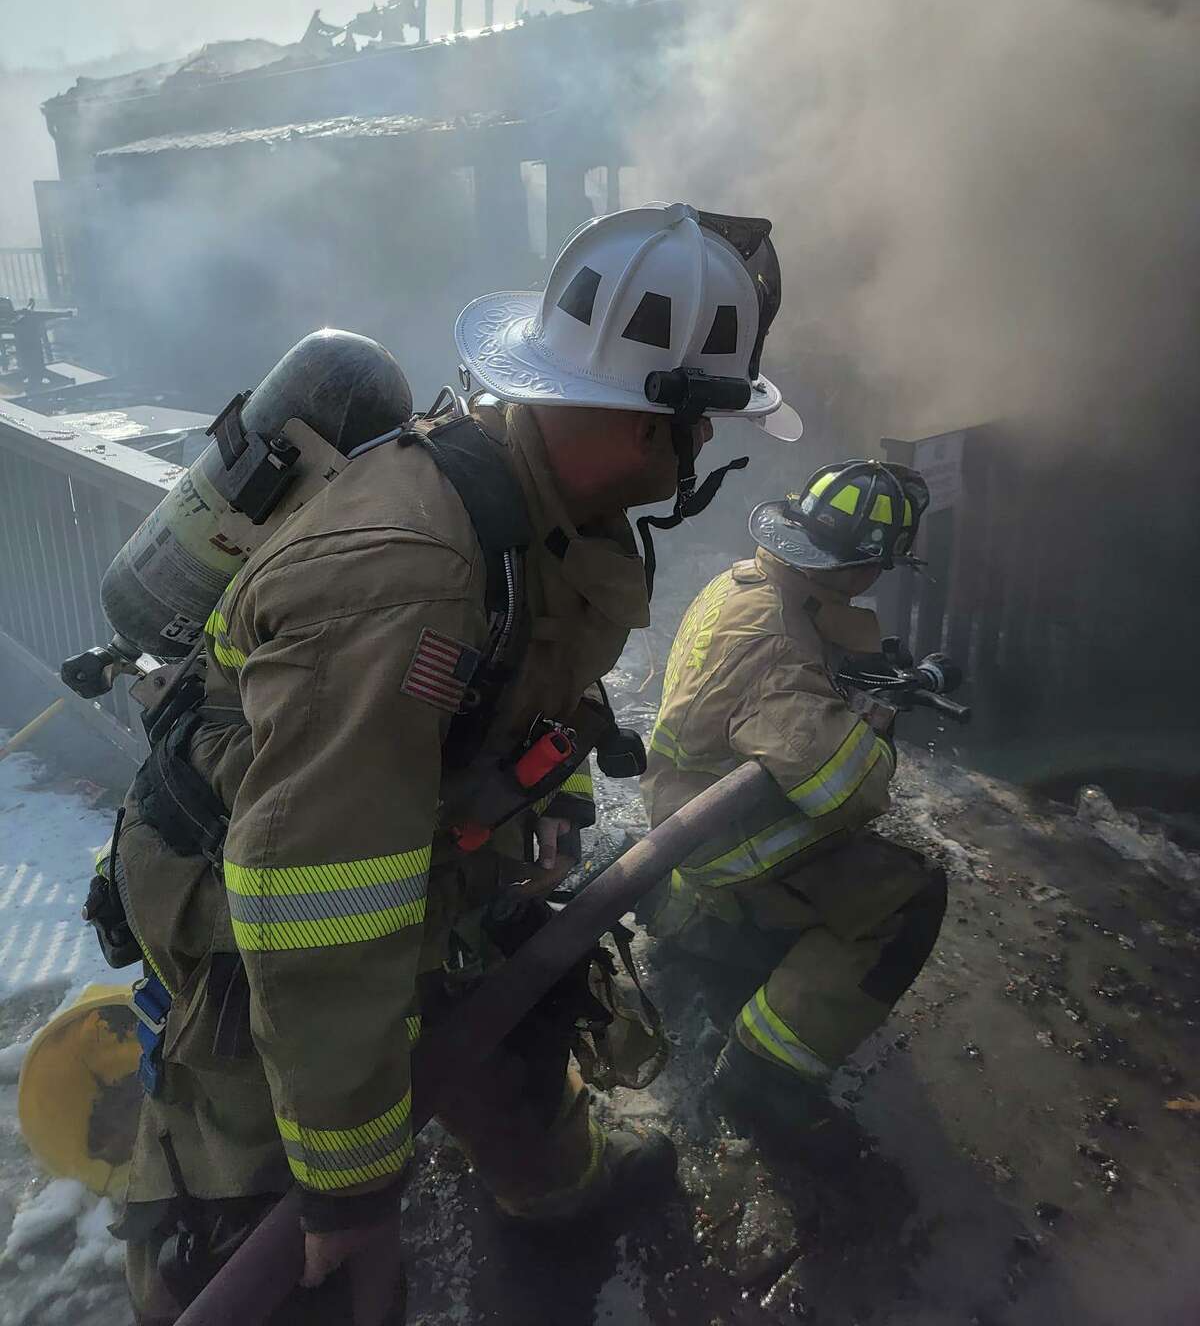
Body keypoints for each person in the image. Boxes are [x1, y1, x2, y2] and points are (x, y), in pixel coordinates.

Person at [106, 202, 797, 1324]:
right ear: (646, 423)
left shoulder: (539, 505)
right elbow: (313, 905)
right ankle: (237, 1256)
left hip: (396, 840)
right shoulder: (410, 576)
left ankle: (550, 1181)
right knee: (262, 1232)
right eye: (707, 425)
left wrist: (556, 803)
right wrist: (346, 1196)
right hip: (250, 894)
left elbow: (536, 688)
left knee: (508, 1015)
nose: (708, 449)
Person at [640, 459, 948, 1140]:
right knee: (908, 894)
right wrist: (873, 727)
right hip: (721, 839)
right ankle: (763, 1071)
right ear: (862, 567)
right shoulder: (777, 644)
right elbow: (846, 793)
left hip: (683, 809)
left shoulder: (743, 582)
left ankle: (703, 931)